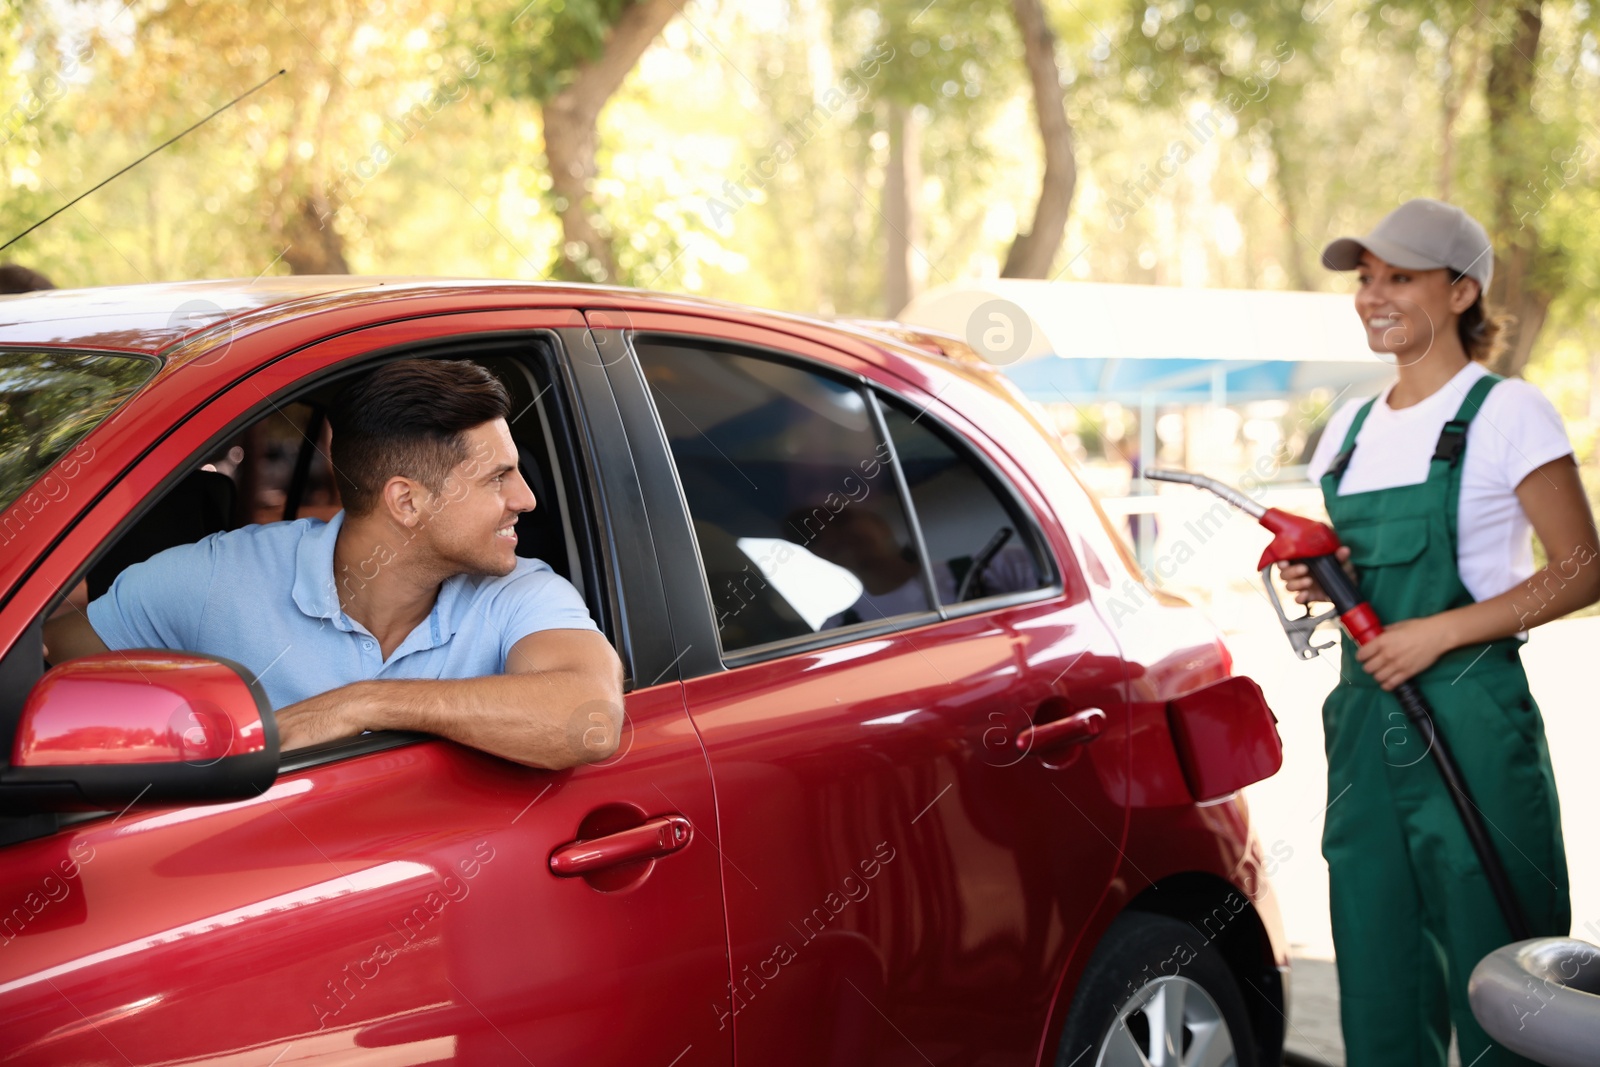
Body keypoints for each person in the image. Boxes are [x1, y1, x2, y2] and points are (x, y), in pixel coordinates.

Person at [1280, 197, 1599, 1066]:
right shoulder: (1345, 429)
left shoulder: (1505, 411)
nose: (1374, 295)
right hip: (1363, 725)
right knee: (1379, 965)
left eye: (1402, 278)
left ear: (1461, 293)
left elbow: (1582, 566)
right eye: (1366, 278)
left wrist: (1438, 632)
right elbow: (1355, 569)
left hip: (1471, 711)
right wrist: (1318, 576)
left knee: (1504, 971)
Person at [43, 359, 624, 770]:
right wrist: (192, 723)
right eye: (499, 477)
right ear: (407, 502)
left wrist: (361, 704)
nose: (526, 499)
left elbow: (591, 719)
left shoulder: (519, 591)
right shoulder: (226, 575)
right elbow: (52, 654)